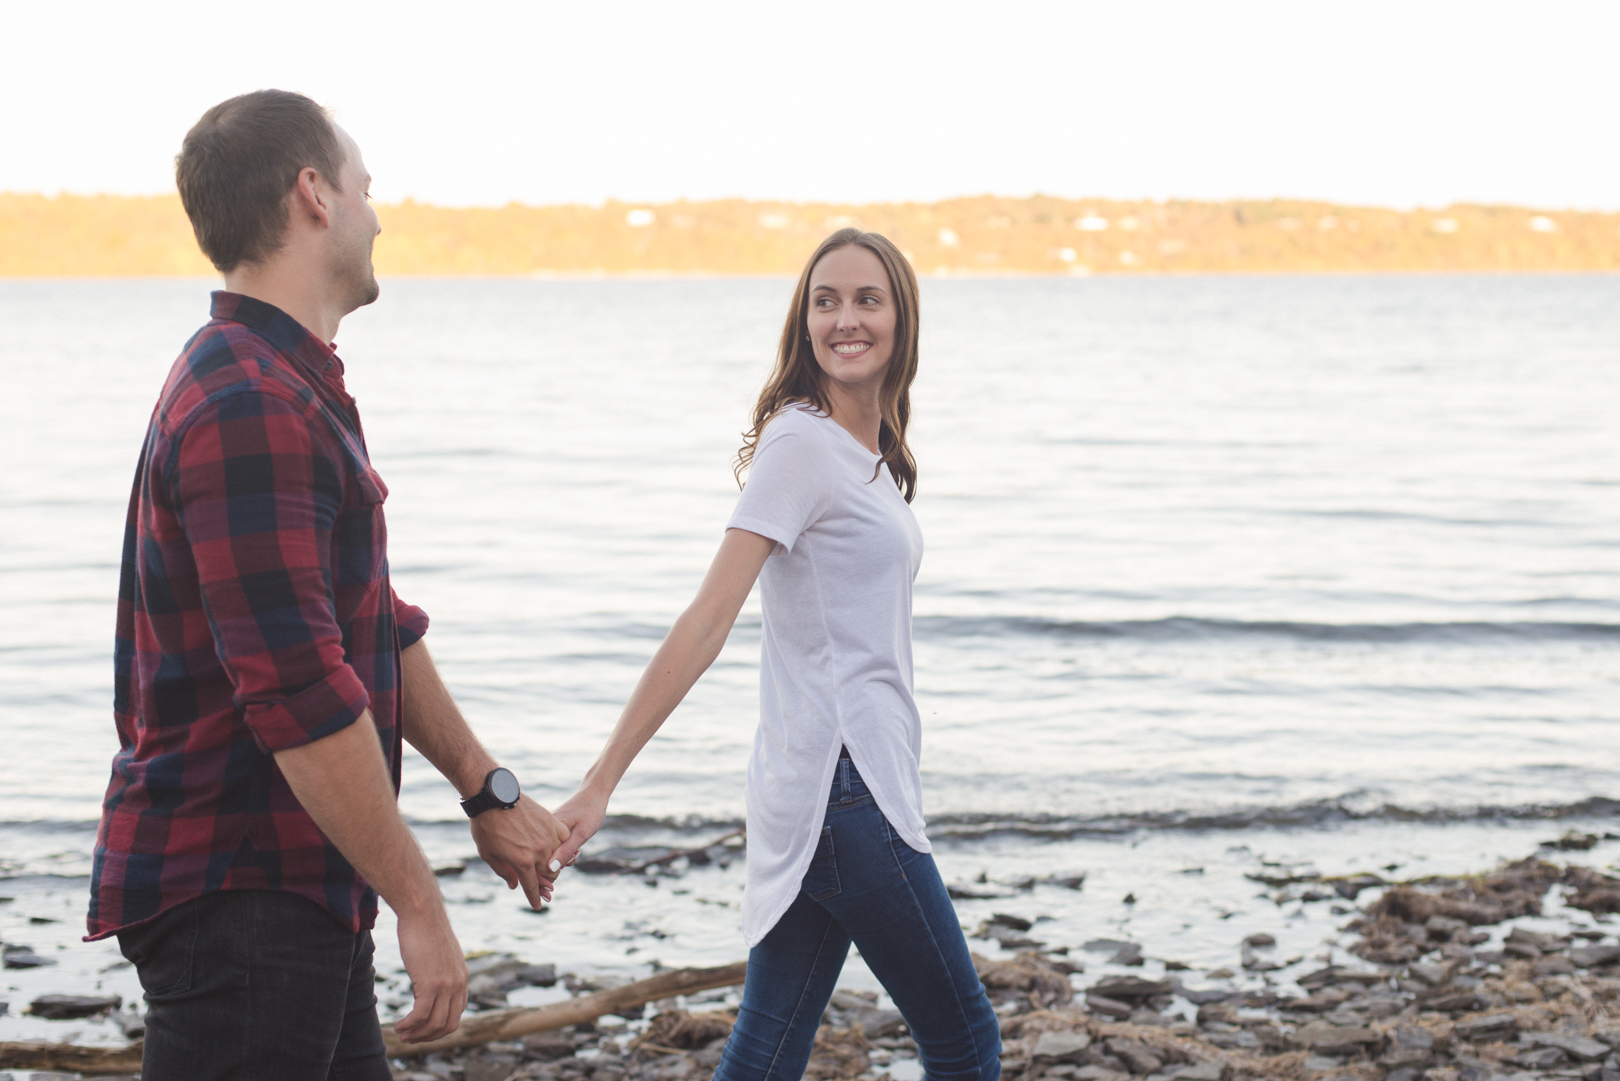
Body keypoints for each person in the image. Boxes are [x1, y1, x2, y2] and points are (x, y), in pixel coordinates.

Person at [86, 90, 569, 1080]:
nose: (378, 213)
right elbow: (299, 696)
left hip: (298, 885)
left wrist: (484, 787)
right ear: (315, 194)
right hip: (241, 900)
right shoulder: (249, 402)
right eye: (364, 186)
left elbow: (371, 622)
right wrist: (419, 901)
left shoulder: (286, 380)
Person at [552, 229, 1002, 1079]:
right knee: (966, 1043)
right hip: (847, 791)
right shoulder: (802, 442)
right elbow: (707, 618)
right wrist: (602, 777)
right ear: (803, 322)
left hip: (821, 791)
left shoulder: (863, 453)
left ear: (902, 318)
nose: (844, 319)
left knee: (766, 1055)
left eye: (867, 299)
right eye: (824, 300)